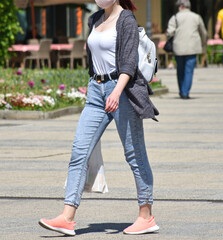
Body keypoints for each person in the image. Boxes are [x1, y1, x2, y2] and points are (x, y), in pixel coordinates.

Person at [38, 0, 159, 236]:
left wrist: (115, 91)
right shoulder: (94, 19)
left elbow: (128, 63)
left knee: (135, 154)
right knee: (79, 151)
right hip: (96, 91)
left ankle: (146, 216)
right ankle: (67, 217)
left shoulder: (126, 20)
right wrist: (94, 85)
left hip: (121, 90)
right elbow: (93, 59)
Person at [167, 0, 207, 99]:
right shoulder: (196, 17)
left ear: (181, 6)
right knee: (189, 71)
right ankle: (185, 92)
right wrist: (203, 44)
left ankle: (181, 90)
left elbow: (169, 32)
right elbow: (204, 33)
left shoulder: (175, 17)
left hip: (178, 47)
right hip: (193, 47)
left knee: (180, 70)